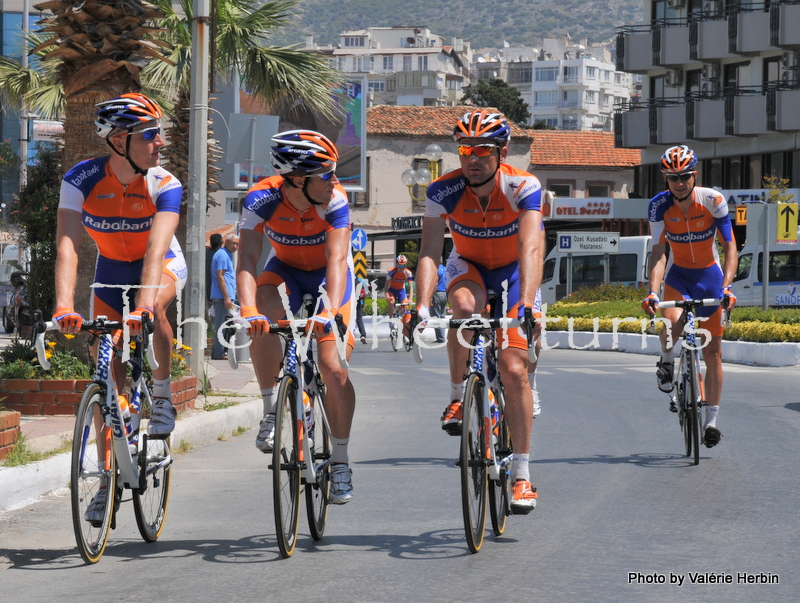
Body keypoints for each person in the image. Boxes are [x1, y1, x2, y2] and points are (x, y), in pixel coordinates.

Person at [54, 93, 186, 522]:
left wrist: (145, 303)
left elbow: (157, 245)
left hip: (161, 263)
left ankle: (162, 397)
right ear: (119, 139)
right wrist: (62, 307)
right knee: (102, 363)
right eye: (151, 135)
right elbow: (68, 247)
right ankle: (108, 475)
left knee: (156, 312)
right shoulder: (81, 178)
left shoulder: (163, 183)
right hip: (110, 271)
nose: (160, 143)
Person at [415, 109, 544, 514]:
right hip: (468, 266)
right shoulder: (443, 190)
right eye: (465, 149)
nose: (471, 158)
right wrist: (420, 304)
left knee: (513, 368)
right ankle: (458, 394)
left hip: (514, 271)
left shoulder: (522, 186)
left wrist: (525, 303)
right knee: (465, 310)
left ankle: (522, 475)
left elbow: (531, 247)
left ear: (501, 152)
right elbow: (430, 253)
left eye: (482, 150)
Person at [237, 129, 357, 505]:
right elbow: (247, 259)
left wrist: (331, 311)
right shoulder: (262, 198)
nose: (335, 181)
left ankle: (339, 461)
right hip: (284, 270)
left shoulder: (333, 201)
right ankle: (271, 410)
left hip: (329, 277)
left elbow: (337, 259)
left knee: (332, 367)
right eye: (326, 174)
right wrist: (247, 309)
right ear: (299, 179)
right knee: (263, 314)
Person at [642, 145, 737, 449]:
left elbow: (730, 247)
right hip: (678, 275)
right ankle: (668, 360)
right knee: (670, 324)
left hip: (709, 277)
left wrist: (726, 287)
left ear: (694, 176)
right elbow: (659, 253)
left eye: (684, 177)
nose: (679, 183)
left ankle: (710, 422)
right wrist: (652, 293)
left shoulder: (713, 200)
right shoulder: (659, 206)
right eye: (672, 178)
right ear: (666, 179)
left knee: (714, 353)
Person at [210, 233, 239, 359]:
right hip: (222, 297)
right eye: (233, 243)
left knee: (225, 325)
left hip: (225, 295)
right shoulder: (222, 255)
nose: (235, 246)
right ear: (226, 242)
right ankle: (218, 353)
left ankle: (220, 352)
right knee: (221, 325)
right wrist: (227, 296)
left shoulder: (226, 255)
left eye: (237, 244)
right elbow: (220, 276)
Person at [384, 255, 414, 320]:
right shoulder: (391, 272)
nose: (402, 268)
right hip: (391, 290)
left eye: (404, 266)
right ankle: (391, 319)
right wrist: (387, 295)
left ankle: (400, 319)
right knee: (391, 301)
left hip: (401, 291)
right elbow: (386, 287)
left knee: (405, 307)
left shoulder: (408, 273)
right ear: (397, 264)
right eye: (400, 266)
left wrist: (410, 298)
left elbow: (411, 287)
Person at [431, 262, 448, 343]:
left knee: (436, 317)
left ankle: (440, 338)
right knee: (442, 316)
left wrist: (431, 295)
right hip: (445, 293)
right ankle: (442, 337)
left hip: (437, 293)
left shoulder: (436, 269)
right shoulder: (445, 269)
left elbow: (435, 282)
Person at [206, 233, 223, 303]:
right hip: (219, 293)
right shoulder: (221, 256)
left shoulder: (206, 255)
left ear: (210, 243)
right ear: (221, 243)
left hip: (208, 292)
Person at [355, 276, 369, 344]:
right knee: (359, 319)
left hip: (349, 302)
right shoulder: (359, 279)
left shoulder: (346, 278)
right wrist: (363, 302)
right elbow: (364, 293)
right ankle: (363, 335)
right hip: (359, 301)